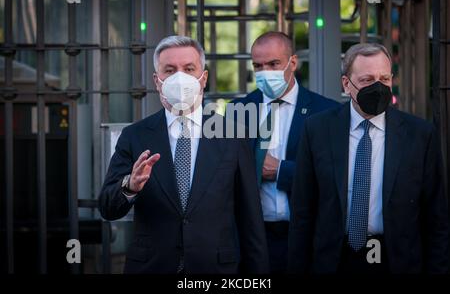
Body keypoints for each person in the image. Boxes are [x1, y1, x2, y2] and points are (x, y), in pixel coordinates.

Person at [98, 35, 269, 274]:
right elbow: (107, 207)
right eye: (170, 70)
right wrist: (130, 186)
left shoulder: (234, 136)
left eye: (189, 69)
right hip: (152, 267)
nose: (180, 78)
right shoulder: (134, 136)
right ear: (157, 81)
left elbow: (250, 217)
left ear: (204, 78)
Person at [288, 43, 449, 274]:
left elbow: (436, 218)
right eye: (367, 80)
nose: (378, 87)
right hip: (334, 260)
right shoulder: (318, 130)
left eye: (384, 79)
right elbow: (303, 210)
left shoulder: (420, 135)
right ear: (346, 84)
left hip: (397, 260)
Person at [230, 31, 338, 273]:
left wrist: (280, 170)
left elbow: (334, 175)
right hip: (254, 239)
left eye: (273, 63)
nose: (265, 71)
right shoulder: (237, 111)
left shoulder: (326, 112)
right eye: (258, 65)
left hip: (305, 237)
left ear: (293, 63)